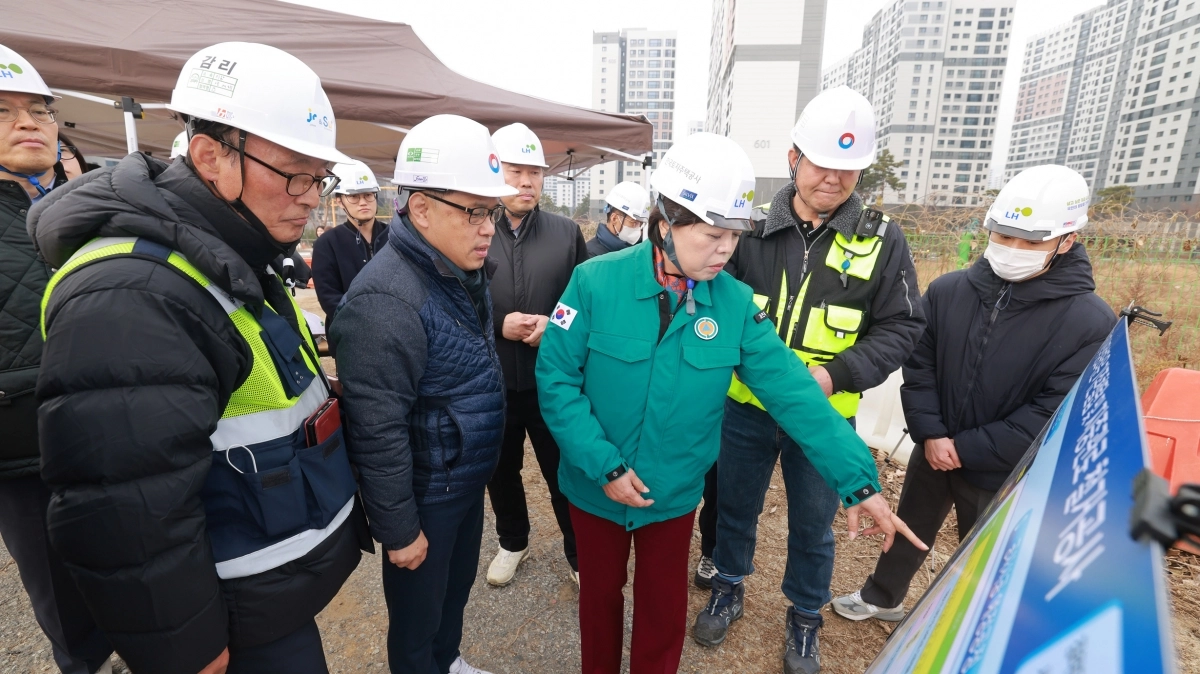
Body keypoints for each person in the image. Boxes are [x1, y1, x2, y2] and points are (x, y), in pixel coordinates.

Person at [32, 42, 368, 674]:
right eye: (295, 173)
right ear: (213, 156)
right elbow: (123, 507)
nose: (309, 197)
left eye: (317, 178)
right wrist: (185, 650)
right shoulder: (131, 293)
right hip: (222, 626)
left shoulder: (230, 251)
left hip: (261, 600)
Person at [535, 131, 925, 674]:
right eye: (712, 234)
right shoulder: (594, 282)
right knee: (599, 600)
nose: (725, 250)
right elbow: (555, 380)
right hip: (594, 488)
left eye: (734, 236)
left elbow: (794, 393)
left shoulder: (735, 305)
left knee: (663, 609)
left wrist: (859, 481)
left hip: (670, 495)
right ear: (665, 223)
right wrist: (603, 463)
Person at [692, 85, 926, 674]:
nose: (834, 178)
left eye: (849, 168)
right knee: (733, 511)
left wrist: (834, 374)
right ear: (795, 158)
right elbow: (713, 306)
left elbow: (902, 328)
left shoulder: (881, 238)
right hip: (744, 409)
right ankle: (729, 586)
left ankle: (803, 618)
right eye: (823, 162)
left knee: (815, 526)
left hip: (825, 417)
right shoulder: (748, 229)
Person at [832, 164, 1116, 622]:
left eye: (1030, 242)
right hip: (934, 443)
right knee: (910, 525)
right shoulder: (950, 291)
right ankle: (883, 596)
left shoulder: (1089, 321)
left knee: (989, 552)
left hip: (1003, 467)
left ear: (1067, 240)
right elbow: (920, 367)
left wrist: (964, 448)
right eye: (1003, 236)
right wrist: (932, 433)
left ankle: (973, 627)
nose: (1012, 249)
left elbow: (1052, 410)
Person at [332, 114, 513, 674]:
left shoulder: (456, 269)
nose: (488, 228)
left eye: (492, 212)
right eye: (474, 211)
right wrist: (400, 528)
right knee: (415, 621)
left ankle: (449, 661)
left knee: (452, 597)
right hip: (424, 493)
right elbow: (375, 428)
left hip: (460, 476)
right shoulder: (386, 298)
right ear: (422, 208)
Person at [0, 43, 114, 674]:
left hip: (113, 428)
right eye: (5, 110)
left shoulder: (90, 202)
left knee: (131, 563)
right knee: (61, 595)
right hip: (25, 450)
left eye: (40, 111)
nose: (28, 123)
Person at [484, 122, 588, 587]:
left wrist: (555, 326)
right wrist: (497, 324)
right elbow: (452, 303)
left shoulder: (566, 234)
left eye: (535, 172)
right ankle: (512, 541)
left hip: (552, 380)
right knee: (501, 472)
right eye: (515, 170)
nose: (526, 182)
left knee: (563, 471)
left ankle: (578, 551)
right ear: (495, 170)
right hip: (492, 380)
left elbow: (586, 304)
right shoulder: (473, 227)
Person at [311, 160, 388, 334]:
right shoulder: (328, 243)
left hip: (395, 334)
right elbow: (329, 298)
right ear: (339, 201)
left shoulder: (394, 237)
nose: (363, 202)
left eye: (368, 195)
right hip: (351, 337)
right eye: (354, 196)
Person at [586, 180, 650, 258]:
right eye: (634, 222)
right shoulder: (591, 255)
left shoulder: (638, 252)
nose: (638, 230)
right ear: (614, 219)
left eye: (641, 224)